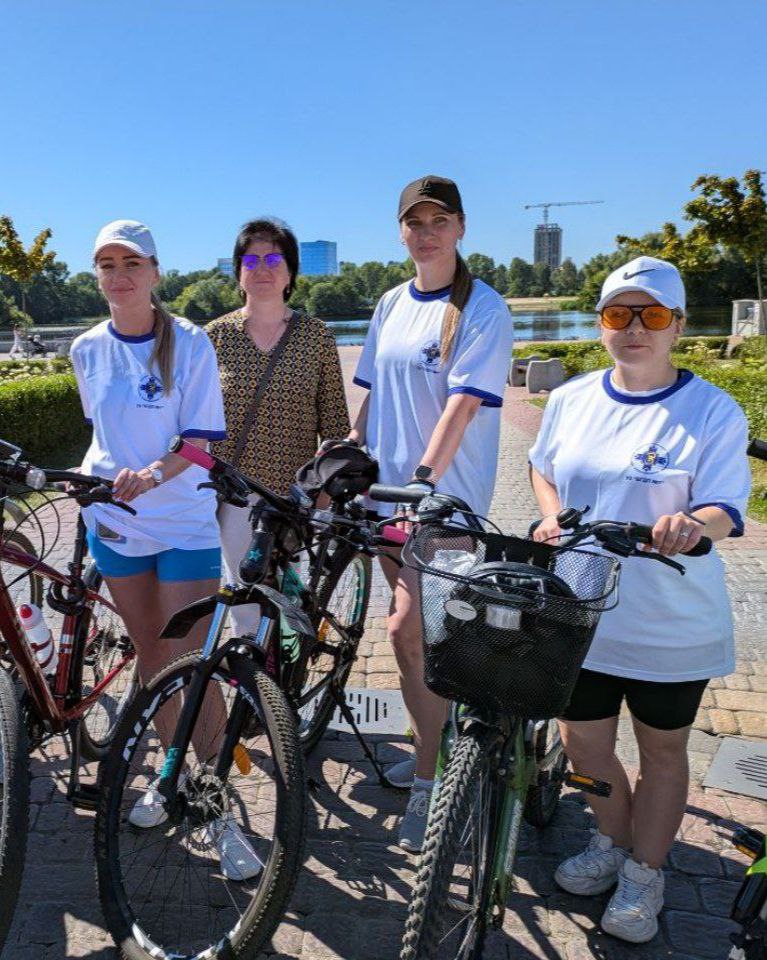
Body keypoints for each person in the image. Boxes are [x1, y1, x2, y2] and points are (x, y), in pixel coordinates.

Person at [528, 256, 751, 943]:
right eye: (617, 313)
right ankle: (612, 840)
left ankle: (645, 871)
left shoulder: (712, 409)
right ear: (601, 324)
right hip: (581, 607)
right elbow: (541, 466)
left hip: (668, 621)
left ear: (676, 325)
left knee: (661, 753)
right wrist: (550, 516)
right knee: (584, 744)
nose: (634, 328)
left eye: (651, 314)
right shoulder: (571, 399)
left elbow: (726, 507)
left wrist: (693, 525)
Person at [70, 219, 261, 880]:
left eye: (131, 263)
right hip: (116, 524)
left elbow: (201, 444)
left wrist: (152, 475)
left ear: (154, 272)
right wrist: (92, 480)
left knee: (192, 662)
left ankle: (215, 806)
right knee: (153, 658)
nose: (119, 276)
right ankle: (170, 778)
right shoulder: (86, 348)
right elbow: (101, 434)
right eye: (107, 265)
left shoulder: (189, 343)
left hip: (181, 521)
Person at [349, 175, 513, 851]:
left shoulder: (482, 308)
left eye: (438, 220)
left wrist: (423, 482)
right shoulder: (391, 303)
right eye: (414, 222)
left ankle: (430, 782)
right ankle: (433, 747)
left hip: (442, 505)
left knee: (409, 629)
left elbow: (462, 405)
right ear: (400, 232)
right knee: (416, 639)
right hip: (386, 503)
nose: (426, 232)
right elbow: (372, 396)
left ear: (461, 227)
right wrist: (347, 450)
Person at [206, 218, 350, 636]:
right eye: (250, 260)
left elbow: (335, 422)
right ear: (238, 272)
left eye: (273, 259)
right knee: (245, 598)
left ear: (290, 273)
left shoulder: (316, 336)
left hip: (294, 496)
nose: (262, 269)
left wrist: (323, 496)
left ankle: (284, 664)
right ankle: (251, 670)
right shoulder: (214, 337)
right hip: (234, 494)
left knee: (287, 596)